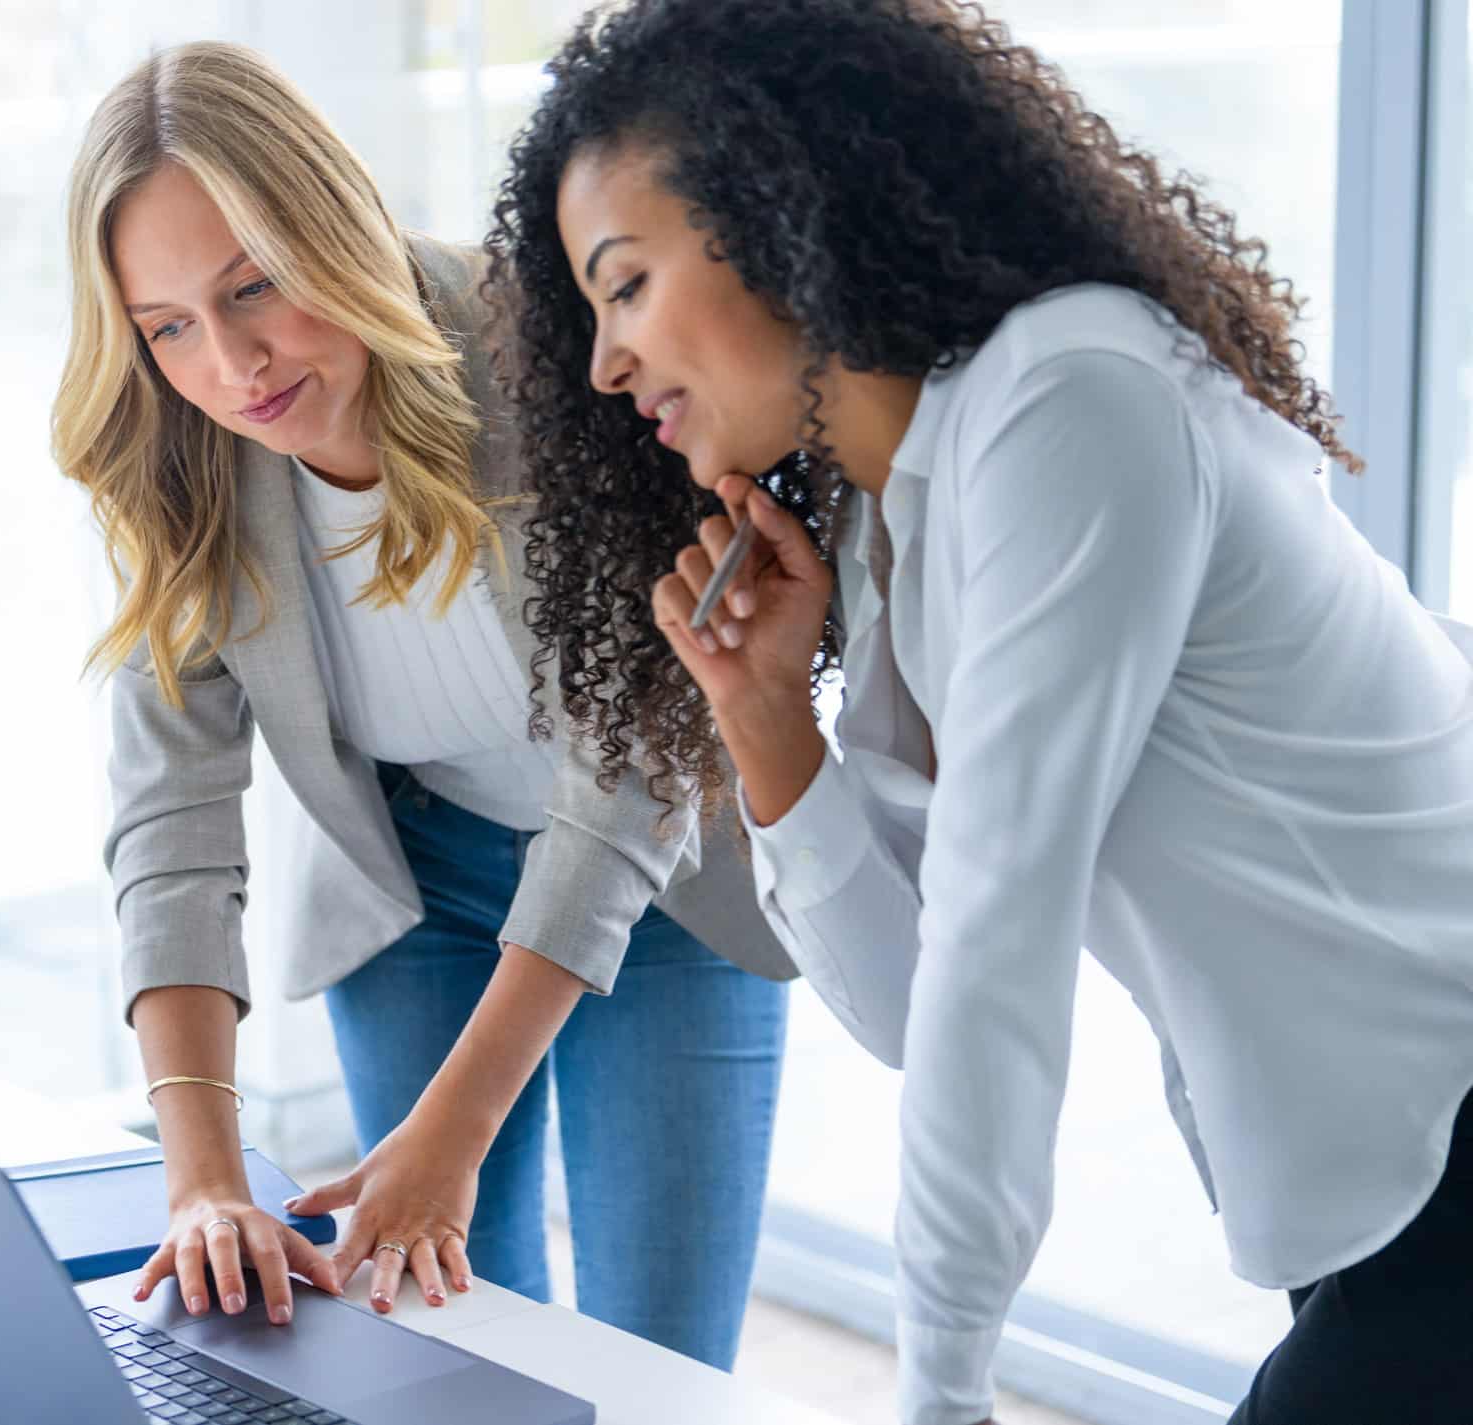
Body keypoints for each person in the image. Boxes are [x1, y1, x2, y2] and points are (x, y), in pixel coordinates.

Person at [483, 1, 1473, 1422]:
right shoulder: (907, 527)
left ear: (780, 211)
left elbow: (997, 967)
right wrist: (772, 730)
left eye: (625, 284)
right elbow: (909, 999)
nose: (604, 363)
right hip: (1382, 1175)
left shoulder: (1073, 397)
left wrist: (938, 1397)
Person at [49, 40, 799, 1369]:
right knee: (454, 1359)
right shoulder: (178, 468)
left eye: (254, 286)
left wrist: (453, 1132)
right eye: (166, 326)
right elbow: (172, 823)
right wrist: (205, 1179)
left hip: (663, 864)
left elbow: (632, 754)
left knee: (659, 1370)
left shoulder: (540, 351)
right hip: (414, 878)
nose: (229, 363)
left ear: (329, 226)